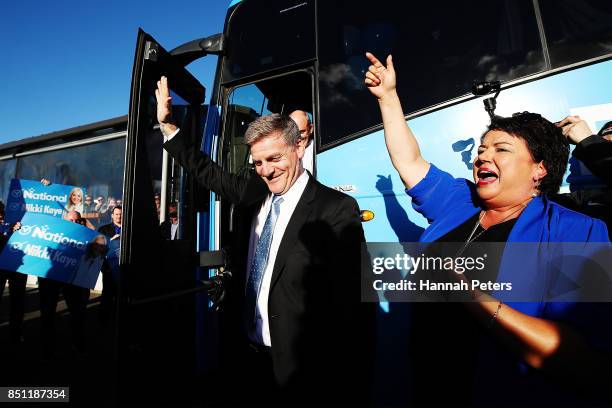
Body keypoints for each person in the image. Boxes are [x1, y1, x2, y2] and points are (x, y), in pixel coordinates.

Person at [364, 52, 611, 406]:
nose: (482, 157)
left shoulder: (579, 231)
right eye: (481, 149)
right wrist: (388, 98)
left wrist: (475, 298)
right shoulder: (458, 201)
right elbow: (409, 161)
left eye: (501, 148)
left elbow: (582, 359)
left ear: (539, 169)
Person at [156, 76, 372, 406]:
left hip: (304, 372)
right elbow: (208, 172)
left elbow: (352, 306)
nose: (266, 171)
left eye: (274, 159)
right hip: (248, 358)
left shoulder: (336, 209)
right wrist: (170, 127)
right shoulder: (253, 195)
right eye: (257, 163)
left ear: (299, 146)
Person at [39, 210, 91, 358]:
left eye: (77, 220)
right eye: (71, 220)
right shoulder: (53, 232)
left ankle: (78, 345)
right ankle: (47, 348)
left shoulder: (86, 236)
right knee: (48, 313)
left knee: (77, 313)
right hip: (52, 278)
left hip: (73, 280)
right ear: (64, 220)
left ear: (80, 221)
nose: (73, 223)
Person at [0, 209, 25, 345]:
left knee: (18, 302)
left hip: (18, 268)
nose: (0, 216)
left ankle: (16, 333)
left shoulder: (17, 223)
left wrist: (18, 229)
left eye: (1, 213)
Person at [97, 206, 121, 322]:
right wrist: (111, 241)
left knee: (120, 296)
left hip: (124, 268)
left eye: (120, 214)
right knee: (107, 294)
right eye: (116, 214)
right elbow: (98, 248)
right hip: (109, 268)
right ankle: (103, 320)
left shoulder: (129, 228)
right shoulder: (103, 229)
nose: (119, 217)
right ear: (112, 215)